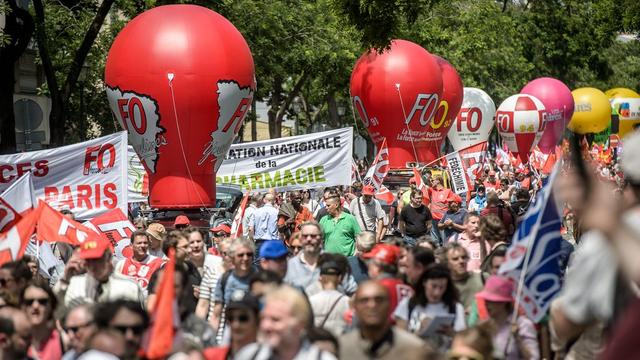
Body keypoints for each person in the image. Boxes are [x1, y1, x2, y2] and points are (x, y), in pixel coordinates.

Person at [235, 285, 336, 360]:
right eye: (263, 318)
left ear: (300, 324)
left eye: (275, 320)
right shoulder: (249, 355)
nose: (266, 326)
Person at [340, 281, 434, 360]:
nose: (372, 305)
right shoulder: (341, 348)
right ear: (355, 307)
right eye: (364, 300)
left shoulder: (416, 350)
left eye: (379, 300)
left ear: (389, 305)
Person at [393, 264, 465, 350]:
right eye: (433, 286)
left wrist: (451, 333)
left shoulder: (455, 308)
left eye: (442, 287)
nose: (437, 292)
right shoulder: (408, 304)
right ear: (424, 283)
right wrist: (420, 332)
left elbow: (463, 339)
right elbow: (399, 340)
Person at [64, 237, 143, 307]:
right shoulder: (75, 284)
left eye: (96, 260)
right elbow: (60, 314)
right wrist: (65, 280)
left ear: (108, 258)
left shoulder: (128, 286)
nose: (92, 265)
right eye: (88, 260)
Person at [476, 276, 539, 359]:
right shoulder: (484, 326)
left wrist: (518, 339)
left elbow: (533, 358)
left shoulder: (523, 325)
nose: (486, 304)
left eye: (491, 300)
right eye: (486, 300)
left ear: (504, 302)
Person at [210, 237, 255, 333]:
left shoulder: (260, 278)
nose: (245, 258)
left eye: (249, 254)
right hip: (232, 332)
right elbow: (216, 315)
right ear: (233, 257)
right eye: (241, 255)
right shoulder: (225, 279)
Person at [203, 293, 260, 360]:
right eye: (231, 318)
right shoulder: (210, 356)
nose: (236, 325)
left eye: (243, 318)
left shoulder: (268, 356)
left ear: (257, 320)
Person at [365, 243, 413, 319]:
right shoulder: (408, 289)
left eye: (370, 264)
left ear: (377, 268)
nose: (368, 267)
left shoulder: (372, 289)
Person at [21, 280, 62, 360]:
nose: (35, 306)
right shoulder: (13, 343)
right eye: (29, 302)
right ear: (22, 306)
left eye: (42, 302)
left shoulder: (64, 341)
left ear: (51, 305)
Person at [309, 260, 350, 336]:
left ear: (320, 278)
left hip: (319, 342)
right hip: (340, 343)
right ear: (339, 278)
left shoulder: (312, 301)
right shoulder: (347, 301)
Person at [445, 242, 484, 311]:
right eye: (455, 259)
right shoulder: (445, 286)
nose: (461, 261)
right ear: (447, 263)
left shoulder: (481, 278)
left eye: (463, 257)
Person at [428, 175, 454, 245]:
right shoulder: (431, 190)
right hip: (433, 219)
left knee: (445, 240)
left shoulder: (448, 191)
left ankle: (445, 254)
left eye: (433, 180)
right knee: (434, 241)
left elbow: (455, 202)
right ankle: (436, 255)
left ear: (438, 181)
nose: (431, 182)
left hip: (443, 220)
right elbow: (423, 186)